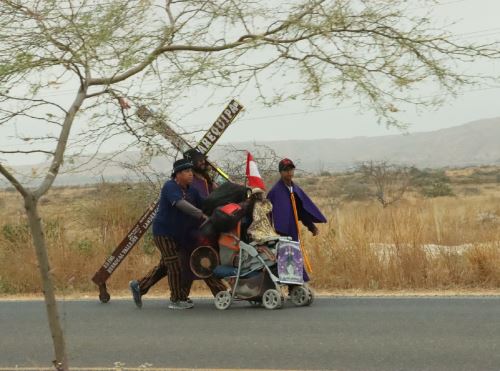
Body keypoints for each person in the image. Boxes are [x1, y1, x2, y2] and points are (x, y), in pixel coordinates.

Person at [129, 159, 226, 310]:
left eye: (191, 171)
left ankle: (139, 286)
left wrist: (223, 200)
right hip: (164, 232)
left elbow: (206, 203)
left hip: (181, 235)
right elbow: (181, 204)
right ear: (178, 174)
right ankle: (176, 299)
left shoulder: (192, 190)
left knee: (165, 266)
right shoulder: (170, 187)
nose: (190, 174)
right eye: (187, 172)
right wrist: (200, 214)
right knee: (174, 265)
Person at [267, 158, 327, 281]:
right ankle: (291, 283)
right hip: (279, 232)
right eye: (286, 170)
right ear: (281, 172)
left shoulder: (295, 189)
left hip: (293, 230)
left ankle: (295, 284)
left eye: (291, 169)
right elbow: (267, 215)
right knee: (285, 257)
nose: (289, 173)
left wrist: (311, 227)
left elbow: (301, 211)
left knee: (292, 256)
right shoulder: (275, 192)